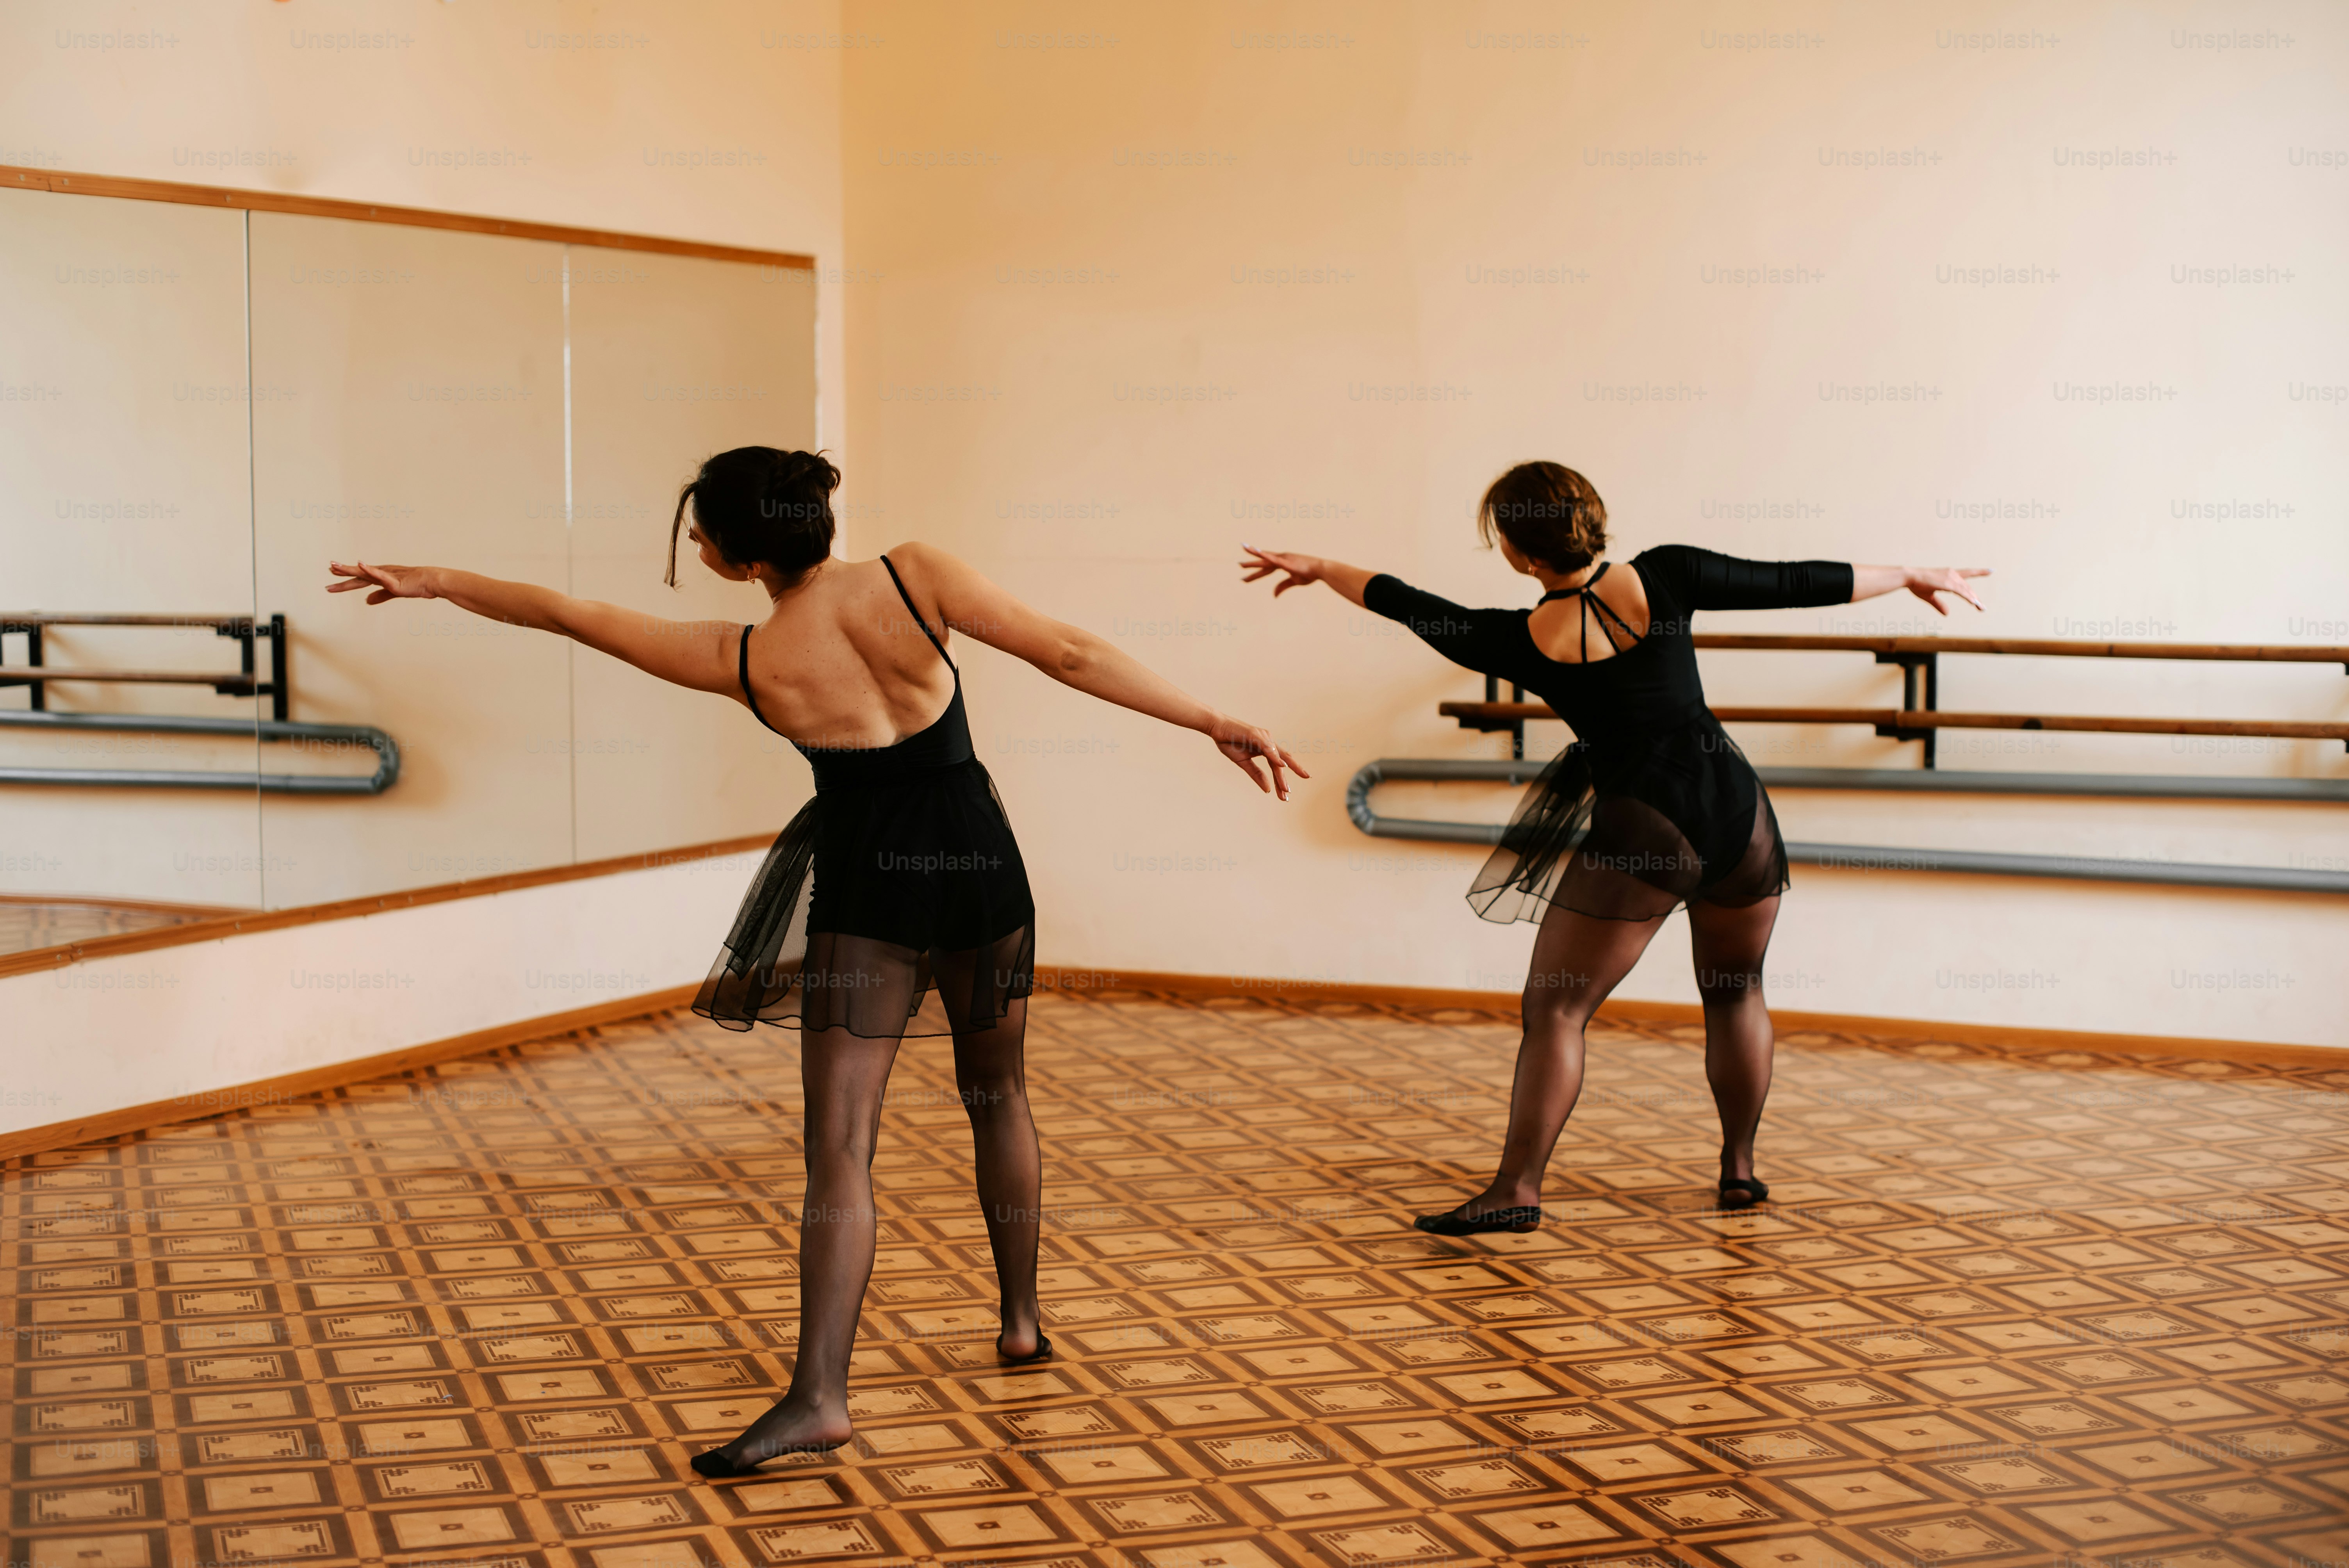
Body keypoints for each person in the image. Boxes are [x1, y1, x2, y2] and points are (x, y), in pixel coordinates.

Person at [330, 445, 1306, 1473]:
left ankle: (819, 1397)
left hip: (868, 881)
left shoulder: (744, 656)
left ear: (740, 558)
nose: (695, 543)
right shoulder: (915, 574)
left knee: (840, 1143)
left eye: (701, 534)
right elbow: (1066, 652)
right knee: (998, 1093)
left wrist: (433, 580)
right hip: (975, 857)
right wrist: (1211, 719)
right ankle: (1021, 1322)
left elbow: (565, 613)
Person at [1240, 460, 1983, 1231]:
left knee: (1556, 1008)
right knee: (1736, 989)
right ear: (1588, 518)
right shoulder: (1670, 574)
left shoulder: (1515, 639)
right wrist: (1910, 575)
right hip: (1739, 814)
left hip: (1645, 829)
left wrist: (1322, 566)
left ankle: (1516, 1190)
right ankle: (1738, 1170)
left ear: (1520, 553)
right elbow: (1797, 581)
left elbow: (1403, 601)